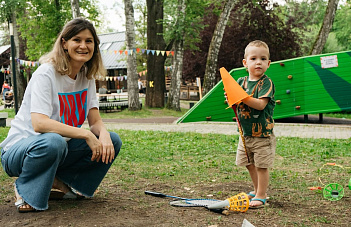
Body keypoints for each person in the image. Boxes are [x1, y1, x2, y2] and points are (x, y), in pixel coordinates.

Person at [0, 18, 122, 213]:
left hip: (57, 149)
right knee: (53, 141)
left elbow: (95, 120)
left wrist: (103, 134)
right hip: (19, 151)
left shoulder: (86, 76)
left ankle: (67, 183)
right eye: (77, 40)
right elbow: (39, 124)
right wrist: (87, 135)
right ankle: (24, 187)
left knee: (113, 140)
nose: (83, 46)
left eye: (89, 41)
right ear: (64, 44)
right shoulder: (45, 73)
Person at [225, 40, 275, 209]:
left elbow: (261, 105)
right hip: (245, 133)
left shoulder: (266, 83)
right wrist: (232, 98)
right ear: (245, 63)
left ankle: (262, 195)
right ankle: (256, 189)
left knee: (261, 165)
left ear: (268, 63)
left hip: (262, 134)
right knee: (248, 162)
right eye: (253, 58)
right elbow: (235, 101)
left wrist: (242, 97)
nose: (258, 62)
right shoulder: (240, 81)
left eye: (263, 59)